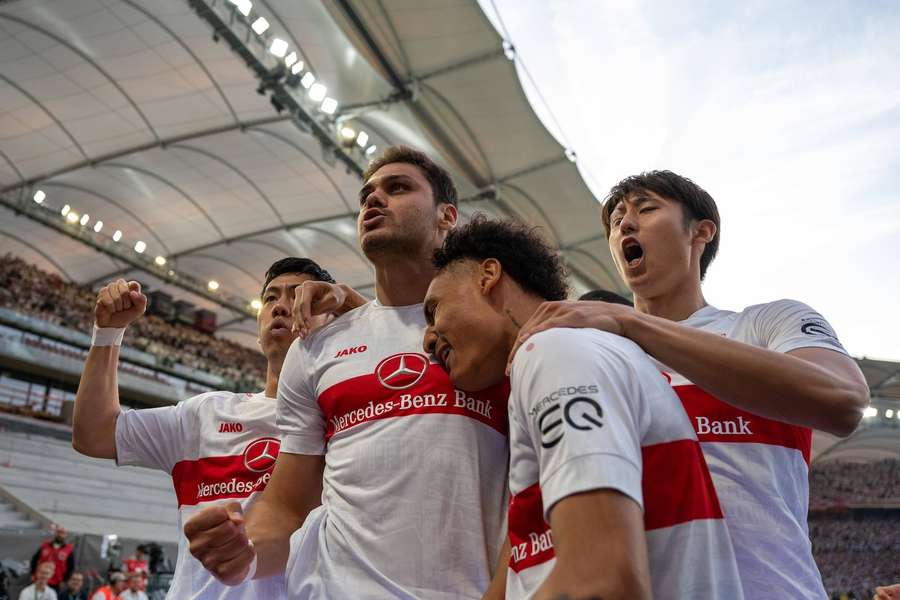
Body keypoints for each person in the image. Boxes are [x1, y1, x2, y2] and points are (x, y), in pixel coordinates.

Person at [508, 170, 870, 599]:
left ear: (701, 231)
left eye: (645, 208)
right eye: (617, 219)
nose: (625, 223)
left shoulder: (767, 323)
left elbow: (842, 400)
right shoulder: (592, 357)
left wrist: (631, 322)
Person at [184, 146, 509, 598]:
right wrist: (247, 549)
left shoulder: (496, 330)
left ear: (446, 216)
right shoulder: (317, 346)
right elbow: (287, 504)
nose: (374, 200)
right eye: (366, 195)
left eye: (397, 188)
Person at [421, 216, 743, 599]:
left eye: (434, 310)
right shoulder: (562, 357)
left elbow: (600, 581)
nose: (427, 338)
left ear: (488, 275)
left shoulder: (554, 351)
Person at [72, 257, 339, 600]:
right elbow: (94, 433)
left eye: (299, 297)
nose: (281, 307)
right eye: (271, 298)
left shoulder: (348, 421)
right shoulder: (205, 414)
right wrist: (107, 333)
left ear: (331, 323)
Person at [30, 527, 73, 592]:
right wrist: (33, 573)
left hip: (56, 581)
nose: (60, 535)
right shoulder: (45, 545)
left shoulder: (68, 549)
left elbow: (71, 567)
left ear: (66, 535)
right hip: (40, 579)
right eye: (59, 532)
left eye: (63, 533)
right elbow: (34, 559)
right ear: (55, 533)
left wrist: (65, 580)